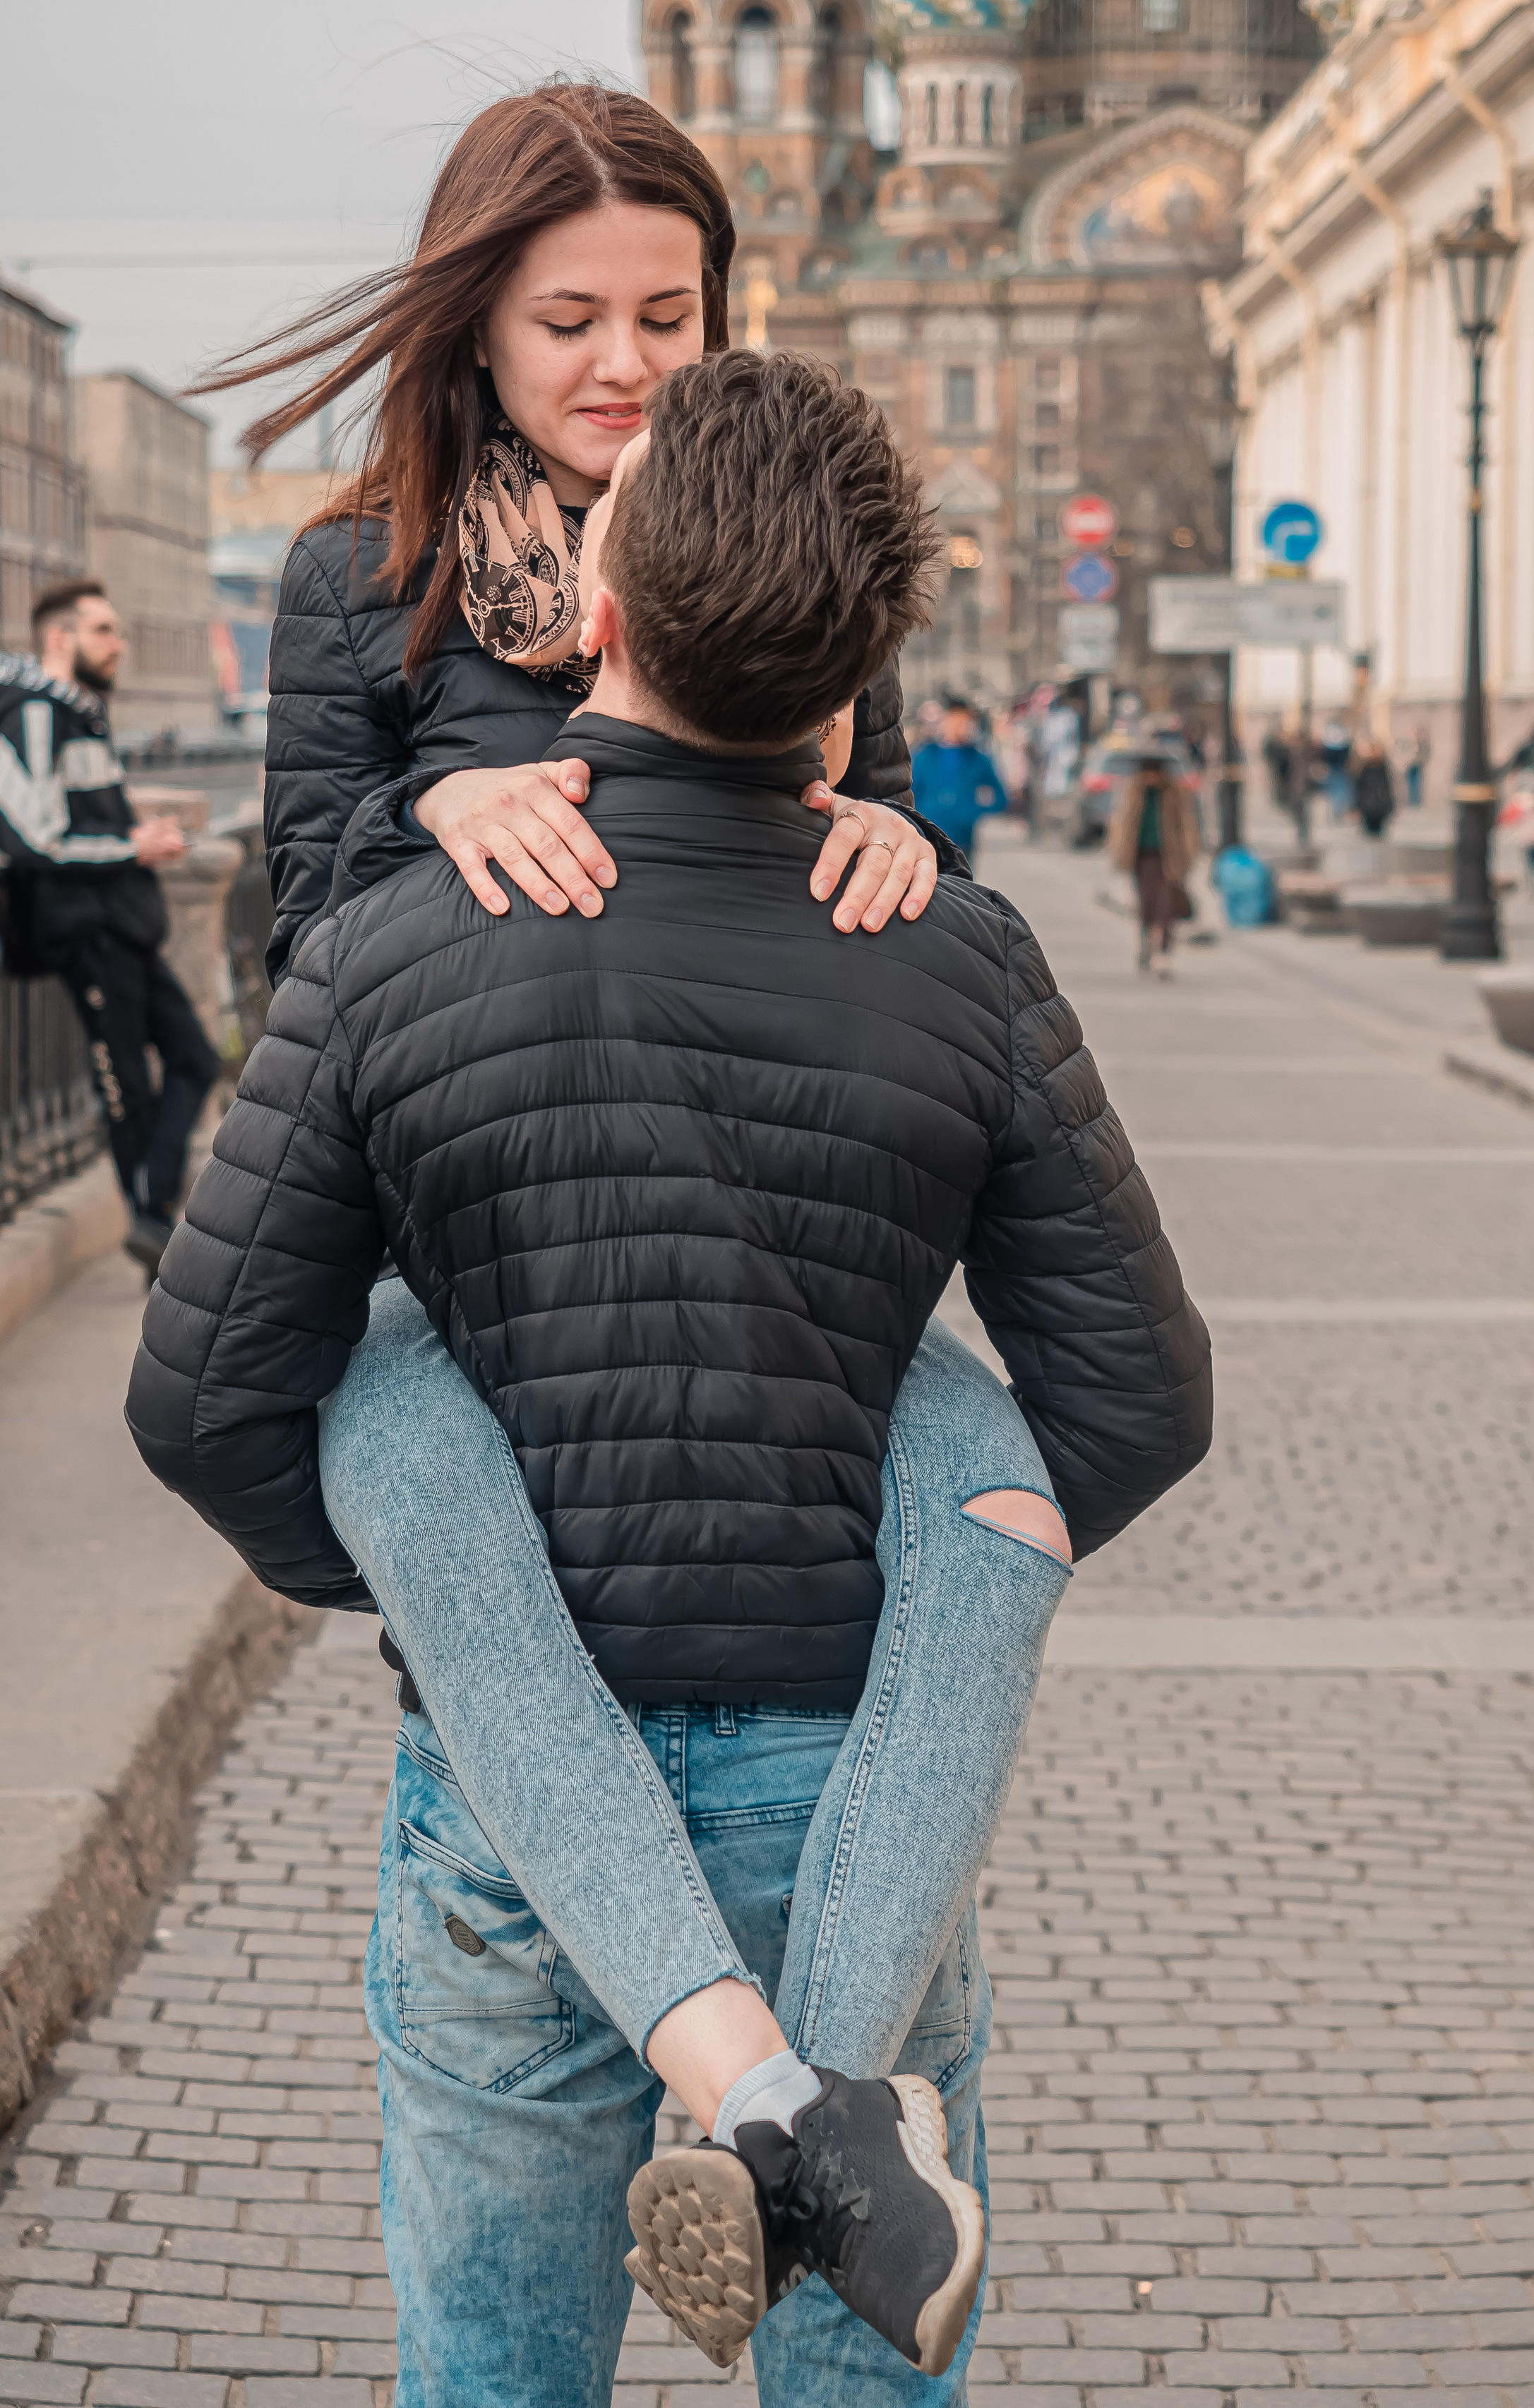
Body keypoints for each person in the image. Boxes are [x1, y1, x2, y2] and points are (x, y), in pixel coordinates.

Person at [128, 347, 1213, 2402]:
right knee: (853, 2365)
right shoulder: (953, 950)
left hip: (517, 1814)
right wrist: (951, 1528)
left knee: (500, 2366)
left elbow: (208, 1403)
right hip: (849, 1778)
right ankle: (832, 2131)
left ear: (594, 620)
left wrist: (445, 1584)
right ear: (858, 666)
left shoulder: (393, 944)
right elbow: (1138, 1398)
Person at [0, 584, 216, 1272]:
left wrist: (133, 834)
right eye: (103, 630)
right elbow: (36, 837)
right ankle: (153, 1224)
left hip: (120, 922)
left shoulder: (79, 712)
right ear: (60, 639)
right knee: (126, 1084)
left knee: (195, 1059)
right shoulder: (34, 712)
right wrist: (133, 846)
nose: (119, 643)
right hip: (84, 927)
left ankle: (153, 1214)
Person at [1108, 747, 1199, 974]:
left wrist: (1187, 857)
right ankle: (1147, 944)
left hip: (1168, 857)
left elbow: (1187, 826)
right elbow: (1121, 824)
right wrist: (1118, 854)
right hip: (1141, 857)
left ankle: (1164, 950)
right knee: (1145, 904)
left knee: (1166, 905)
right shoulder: (1133, 792)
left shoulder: (1174, 793)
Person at [910, 694, 1005, 861]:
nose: (964, 726)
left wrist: (973, 812)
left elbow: (1001, 797)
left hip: (963, 838)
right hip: (928, 836)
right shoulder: (925, 756)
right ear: (947, 720)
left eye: (968, 722)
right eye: (959, 720)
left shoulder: (978, 759)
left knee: (962, 884)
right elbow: (910, 794)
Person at [1352, 737, 1395, 838]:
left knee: (1378, 834)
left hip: (1380, 806)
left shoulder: (1383, 767)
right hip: (1367, 806)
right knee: (1369, 834)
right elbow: (1359, 787)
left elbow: (1387, 787)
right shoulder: (1363, 768)